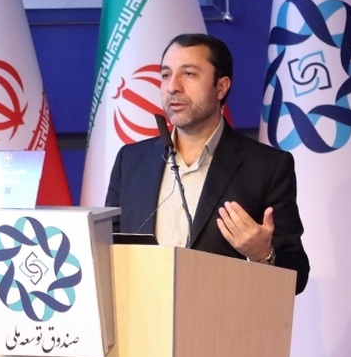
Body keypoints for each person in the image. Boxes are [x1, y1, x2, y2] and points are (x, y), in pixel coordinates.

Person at [104, 33, 309, 294]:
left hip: (223, 316)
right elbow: (103, 249)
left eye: (188, 74)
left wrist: (263, 255)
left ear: (221, 87)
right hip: (142, 315)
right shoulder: (131, 161)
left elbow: (297, 276)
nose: (172, 87)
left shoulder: (267, 167)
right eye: (165, 75)